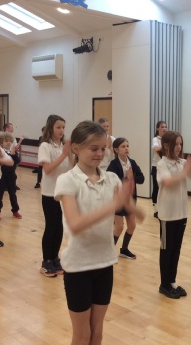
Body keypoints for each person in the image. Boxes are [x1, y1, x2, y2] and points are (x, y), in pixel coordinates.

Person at [54, 120, 145, 345]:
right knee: (82, 335)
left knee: (97, 333)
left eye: (103, 148)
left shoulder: (111, 179)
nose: (100, 154)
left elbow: (139, 215)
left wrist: (129, 200)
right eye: (93, 148)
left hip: (105, 264)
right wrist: (114, 205)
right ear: (76, 148)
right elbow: (75, 224)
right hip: (78, 267)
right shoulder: (67, 181)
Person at [157, 130, 191, 299]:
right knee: (167, 250)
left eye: (180, 144)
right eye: (175, 144)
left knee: (176, 249)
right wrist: (185, 172)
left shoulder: (182, 162)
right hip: (167, 215)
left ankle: (172, 282)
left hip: (182, 214)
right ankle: (164, 284)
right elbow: (167, 182)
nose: (179, 147)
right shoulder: (162, 164)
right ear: (166, 145)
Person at [38, 114, 72, 277]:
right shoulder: (45, 146)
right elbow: (48, 169)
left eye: (63, 127)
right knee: (51, 226)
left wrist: (70, 153)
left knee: (60, 227)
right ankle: (46, 261)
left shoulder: (63, 147)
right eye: (58, 127)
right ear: (50, 127)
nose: (61, 130)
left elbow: (71, 168)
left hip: (63, 193)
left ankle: (55, 258)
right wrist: (64, 154)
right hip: (49, 193)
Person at [107, 137, 145, 260]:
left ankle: (124, 250)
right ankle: (108, 252)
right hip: (118, 200)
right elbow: (111, 181)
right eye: (123, 146)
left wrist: (132, 177)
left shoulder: (132, 162)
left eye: (127, 146)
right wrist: (127, 179)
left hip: (130, 200)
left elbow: (142, 178)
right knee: (119, 227)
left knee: (132, 225)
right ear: (116, 150)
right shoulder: (113, 164)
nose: (126, 148)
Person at [0, 132, 22, 220]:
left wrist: (13, 154)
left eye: (10, 141)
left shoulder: (12, 152)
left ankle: (15, 211)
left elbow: (17, 161)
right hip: (2, 176)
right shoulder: (0, 152)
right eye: (6, 141)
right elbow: (3, 163)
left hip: (11, 176)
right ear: (1, 143)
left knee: (13, 194)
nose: (8, 143)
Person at [151, 120, 167, 218]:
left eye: (165, 127)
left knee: (164, 189)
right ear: (158, 128)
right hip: (156, 167)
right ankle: (156, 210)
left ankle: (163, 208)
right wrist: (166, 145)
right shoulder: (155, 139)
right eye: (162, 127)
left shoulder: (168, 139)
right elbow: (156, 149)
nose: (164, 128)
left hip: (165, 167)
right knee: (156, 188)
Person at [3, 123, 24, 190]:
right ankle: (5, 186)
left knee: (12, 172)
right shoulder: (2, 137)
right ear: (7, 128)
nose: (13, 129)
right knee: (6, 171)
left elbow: (16, 147)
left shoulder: (13, 137)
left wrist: (20, 140)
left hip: (12, 155)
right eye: (11, 128)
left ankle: (13, 185)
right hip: (5, 155)